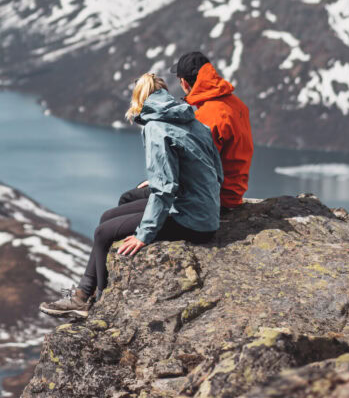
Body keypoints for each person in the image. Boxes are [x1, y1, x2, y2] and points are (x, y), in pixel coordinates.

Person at [40, 73, 223, 319]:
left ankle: (92, 301)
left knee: (103, 232)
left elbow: (164, 188)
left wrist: (144, 235)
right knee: (108, 216)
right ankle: (84, 294)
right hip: (205, 212)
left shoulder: (155, 127)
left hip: (192, 221)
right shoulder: (194, 120)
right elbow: (217, 171)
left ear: (140, 99)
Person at [119, 50, 253, 212]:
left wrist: (159, 181)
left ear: (184, 83)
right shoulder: (236, 104)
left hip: (216, 197)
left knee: (128, 199)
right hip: (234, 191)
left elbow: (196, 167)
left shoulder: (207, 115)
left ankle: (144, 235)